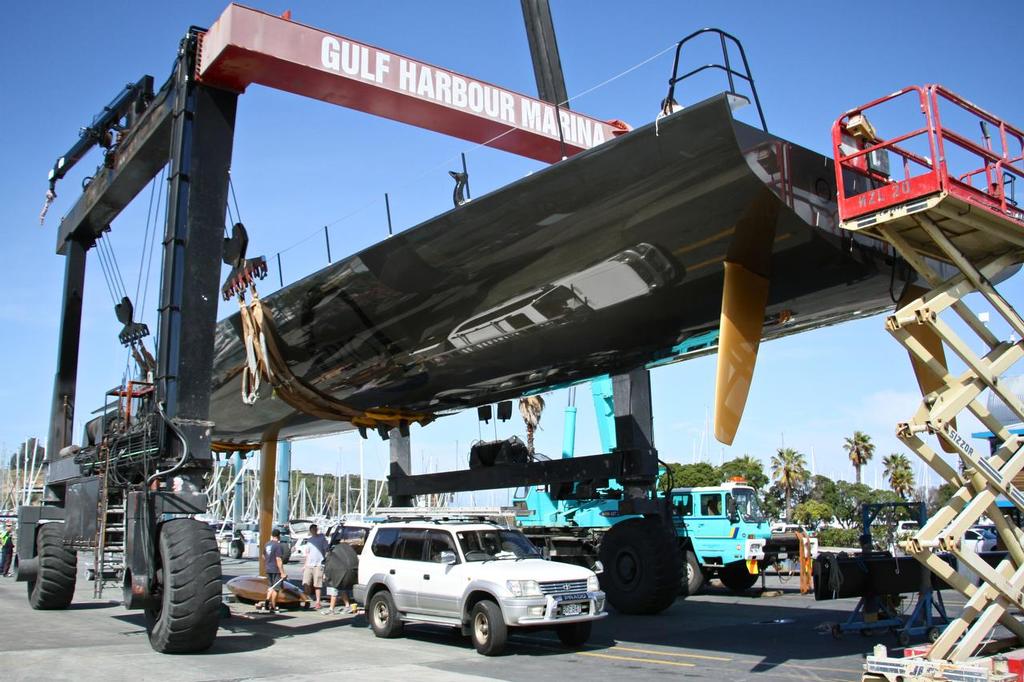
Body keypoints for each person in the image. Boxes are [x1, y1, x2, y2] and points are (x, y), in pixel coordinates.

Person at [322, 538, 359, 615]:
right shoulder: (345, 550)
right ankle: (347, 605)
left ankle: (331, 609)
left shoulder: (333, 552)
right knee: (342, 590)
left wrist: (325, 574)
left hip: (335, 574)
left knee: (333, 591)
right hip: (345, 573)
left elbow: (328, 564)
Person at [302, 524, 329, 609]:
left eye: (315, 529)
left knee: (317, 584)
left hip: (318, 564)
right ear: (310, 531)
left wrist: (325, 563)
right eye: (312, 529)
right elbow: (307, 554)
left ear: (317, 530)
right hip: (309, 564)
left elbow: (327, 550)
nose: (314, 531)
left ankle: (318, 602)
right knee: (306, 583)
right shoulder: (309, 540)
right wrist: (304, 565)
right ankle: (307, 600)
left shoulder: (322, 538)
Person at [263, 528, 287, 613]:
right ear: (278, 536)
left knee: (271, 587)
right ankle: (273, 606)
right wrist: (282, 572)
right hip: (275, 569)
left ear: (272, 535)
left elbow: (264, 556)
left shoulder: (266, 544)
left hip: (268, 568)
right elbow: (278, 559)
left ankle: (267, 600)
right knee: (276, 589)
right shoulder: (277, 545)